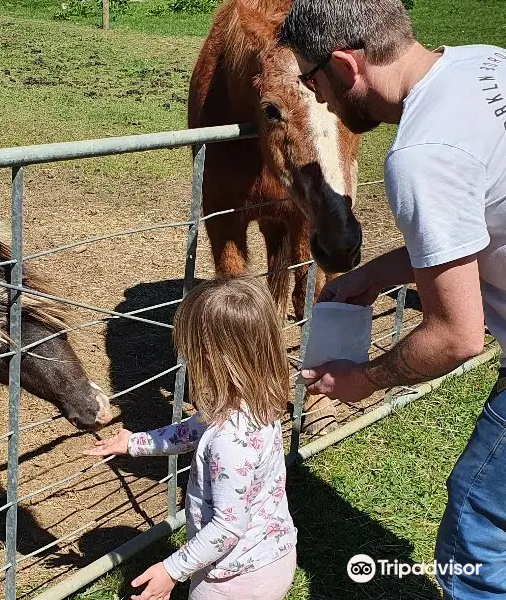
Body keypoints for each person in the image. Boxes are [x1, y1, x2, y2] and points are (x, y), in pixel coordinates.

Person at [279, 1, 506, 597]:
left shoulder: (421, 154)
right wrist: (375, 275)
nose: (318, 100)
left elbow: (456, 336)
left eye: (312, 79)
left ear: (346, 66)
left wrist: (364, 380)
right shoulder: (484, 66)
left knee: (479, 523)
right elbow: (480, 221)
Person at [84, 277, 297, 600]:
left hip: (233, 579)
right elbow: (189, 432)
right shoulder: (256, 404)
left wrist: (172, 570)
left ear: (209, 357)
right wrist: (133, 442)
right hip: (272, 553)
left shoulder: (229, 441)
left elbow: (227, 527)